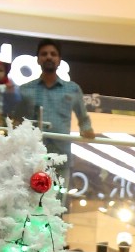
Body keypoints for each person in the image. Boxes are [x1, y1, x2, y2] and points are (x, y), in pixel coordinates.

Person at [18, 40, 94, 183]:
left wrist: (86, 129)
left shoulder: (72, 89)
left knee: (58, 201)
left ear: (59, 60)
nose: (49, 57)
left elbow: (83, 119)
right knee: (28, 200)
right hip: (30, 155)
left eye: (53, 54)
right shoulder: (25, 89)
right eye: (44, 54)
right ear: (38, 60)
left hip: (60, 155)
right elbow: (16, 120)